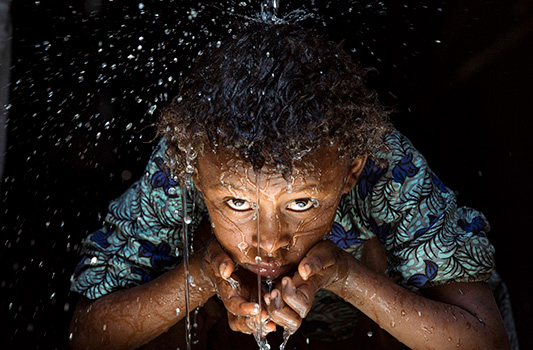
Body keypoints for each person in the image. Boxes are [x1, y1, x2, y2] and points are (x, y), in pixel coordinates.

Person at [69, 22, 511, 350]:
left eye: (301, 202)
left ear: (352, 169)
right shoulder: (180, 163)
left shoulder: (385, 166)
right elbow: (89, 336)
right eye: (237, 201)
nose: (268, 242)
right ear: (194, 171)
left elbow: (484, 340)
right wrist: (202, 276)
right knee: (192, 246)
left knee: (377, 252)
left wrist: (342, 274)